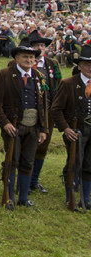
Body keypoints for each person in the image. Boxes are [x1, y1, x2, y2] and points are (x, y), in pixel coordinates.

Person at [0, 40, 48, 209]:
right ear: (16, 57)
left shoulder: (38, 77)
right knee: (12, 160)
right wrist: (5, 123)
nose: (29, 60)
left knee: (28, 161)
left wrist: (44, 128)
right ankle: (9, 197)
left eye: (31, 57)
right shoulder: (4, 74)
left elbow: (43, 104)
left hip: (33, 126)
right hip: (13, 125)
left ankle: (23, 197)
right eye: (25, 57)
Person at [49, 43, 91, 210]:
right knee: (74, 163)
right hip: (76, 131)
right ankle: (71, 197)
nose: (90, 68)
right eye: (87, 64)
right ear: (80, 66)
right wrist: (66, 128)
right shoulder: (68, 84)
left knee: (89, 164)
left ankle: (86, 198)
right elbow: (55, 109)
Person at [29, 32, 61, 194]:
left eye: (42, 46)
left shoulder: (52, 64)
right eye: (36, 46)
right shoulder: (22, 63)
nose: (39, 48)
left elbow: (58, 86)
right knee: (26, 146)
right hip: (28, 111)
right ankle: (22, 178)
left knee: (43, 146)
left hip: (48, 111)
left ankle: (34, 180)